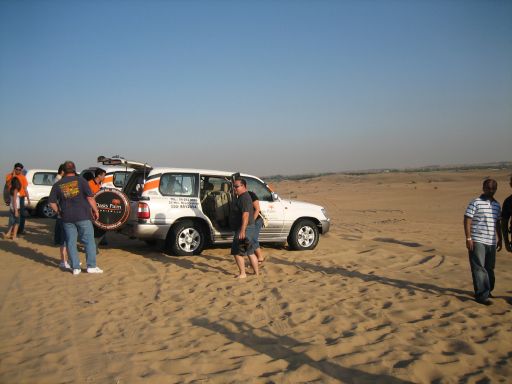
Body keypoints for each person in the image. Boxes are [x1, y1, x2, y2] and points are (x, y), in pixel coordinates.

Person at [49, 161, 103, 275]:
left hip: (66, 217)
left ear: (63, 170)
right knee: (89, 241)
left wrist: (59, 212)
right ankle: (91, 266)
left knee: (70, 242)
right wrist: (96, 210)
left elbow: (52, 203)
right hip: (83, 215)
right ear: (74, 169)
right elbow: (90, 198)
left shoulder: (58, 184)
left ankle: (75, 267)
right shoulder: (81, 181)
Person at [464, 178, 502, 305]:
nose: (490, 190)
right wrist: (468, 238)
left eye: (493, 188)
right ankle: (481, 295)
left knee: (489, 268)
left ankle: (488, 290)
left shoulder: (497, 205)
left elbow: (497, 223)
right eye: (488, 188)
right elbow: (467, 219)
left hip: (491, 241)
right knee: (479, 268)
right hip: (477, 240)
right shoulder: (475, 202)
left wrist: (500, 238)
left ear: (495, 189)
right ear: (483, 188)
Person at [231, 178, 259, 278]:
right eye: (233, 186)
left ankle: (243, 273)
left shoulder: (244, 198)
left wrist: (242, 230)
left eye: (236, 186)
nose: (234, 188)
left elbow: (245, 215)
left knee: (237, 252)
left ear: (244, 186)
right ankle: (256, 273)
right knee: (250, 252)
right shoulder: (242, 196)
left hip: (245, 229)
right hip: (249, 228)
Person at [5, 163, 30, 235]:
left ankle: (20, 230)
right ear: (14, 169)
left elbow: (25, 189)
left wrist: (28, 199)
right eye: (17, 169)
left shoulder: (23, 177)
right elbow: (7, 185)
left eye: (20, 170)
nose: (18, 171)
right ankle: (10, 231)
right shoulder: (9, 176)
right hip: (12, 197)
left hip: (21, 197)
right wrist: (13, 176)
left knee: (22, 215)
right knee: (12, 216)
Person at [53, 164, 70, 269]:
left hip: (63, 214)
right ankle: (64, 261)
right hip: (64, 214)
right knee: (65, 239)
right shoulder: (60, 182)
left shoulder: (59, 181)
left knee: (66, 239)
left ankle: (67, 260)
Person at [248, 190, 265, 264]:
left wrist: (252, 221)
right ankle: (255, 259)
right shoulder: (237, 197)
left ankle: (260, 258)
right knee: (249, 239)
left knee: (253, 238)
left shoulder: (251, 195)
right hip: (247, 221)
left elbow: (257, 209)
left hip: (256, 219)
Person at [502, 175, 512, 253]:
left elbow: (504, 223)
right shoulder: (508, 201)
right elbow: (504, 223)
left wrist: (506, 242)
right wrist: (506, 241)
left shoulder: (508, 201)